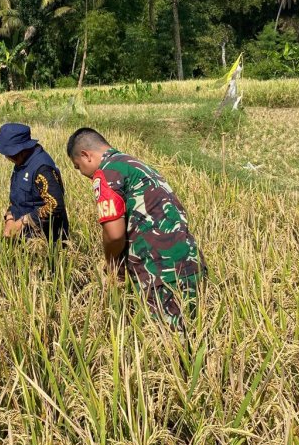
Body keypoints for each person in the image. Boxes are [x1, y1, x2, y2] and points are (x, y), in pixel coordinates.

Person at [66, 127, 206, 330]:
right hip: (191, 262)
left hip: (160, 271)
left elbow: (114, 235)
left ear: (86, 155)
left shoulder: (106, 173)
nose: (81, 173)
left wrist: (111, 263)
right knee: (195, 336)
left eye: (77, 166)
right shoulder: (135, 164)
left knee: (170, 348)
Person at [0, 123, 69, 243]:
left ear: (22, 150)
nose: (6, 156)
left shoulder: (42, 169)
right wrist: (10, 218)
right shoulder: (20, 163)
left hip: (44, 240)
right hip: (21, 236)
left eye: (8, 153)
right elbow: (17, 198)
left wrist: (24, 221)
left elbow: (54, 206)